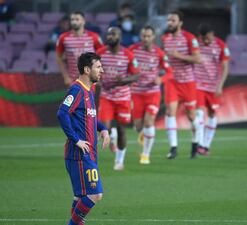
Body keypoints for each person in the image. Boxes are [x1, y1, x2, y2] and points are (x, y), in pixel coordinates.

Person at [57, 52, 110, 225]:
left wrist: (103, 129)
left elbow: (90, 116)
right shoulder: (77, 89)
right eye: (98, 67)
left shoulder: (88, 91)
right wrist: (76, 139)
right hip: (80, 154)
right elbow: (62, 113)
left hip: (88, 153)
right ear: (87, 70)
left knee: (80, 196)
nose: (102, 70)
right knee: (95, 194)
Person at [96, 27, 140, 171]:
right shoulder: (100, 53)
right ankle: (110, 137)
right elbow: (93, 70)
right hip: (106, 96)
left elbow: (137, 75)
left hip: (123, 98)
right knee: (104, 128)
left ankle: (119, 161)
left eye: (113, 34)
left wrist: (125, 80)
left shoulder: (127, 54)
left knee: (121, 129)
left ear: (119, 37)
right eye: (108, 34)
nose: (110, 36)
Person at [161, 10, 202, 159]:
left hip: (188, 82)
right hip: (172, 81)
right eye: (168, 20)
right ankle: (173, 147)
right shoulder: (165, 38)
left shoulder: (189, 38)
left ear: (180, 22)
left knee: (191, 116)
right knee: (170, 112)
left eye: (173, 20)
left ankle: (195, 143)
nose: (169, 23)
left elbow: (198, 59)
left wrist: (179, 56)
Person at [129, 25, 172, 164]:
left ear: (153, 37)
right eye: (143, 36)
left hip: (152, 93)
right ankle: (143, 134)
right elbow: (125, 63)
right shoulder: (132, 50)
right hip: (136, 92)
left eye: (148, 36)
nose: (146, 38)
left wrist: (161, 79)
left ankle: (145, 155)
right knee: (138, 125)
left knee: (149, 122)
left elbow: (170, 72)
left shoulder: (159, 53)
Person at [194, 24, 230, 156]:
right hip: (198, 84)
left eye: (208, 38)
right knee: (199, 113)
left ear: (212, 33)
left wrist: (220, 85)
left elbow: (225, 67)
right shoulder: (195, 44)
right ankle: (200, 144)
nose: (206, 41)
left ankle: (206, 145)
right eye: (204, 39)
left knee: (212, 114)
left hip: (213, 86)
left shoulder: (221, 45)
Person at [56, 11, 103, 87]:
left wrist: (98, 75)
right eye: (72, 20)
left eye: (77, 19)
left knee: (89, 99)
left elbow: (102, 56)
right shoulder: (63, 38)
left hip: (90, 80)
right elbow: (59, 58)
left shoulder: (94, 37)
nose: (74, 22)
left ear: (83, 21)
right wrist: (65, 77)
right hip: (73, 80)